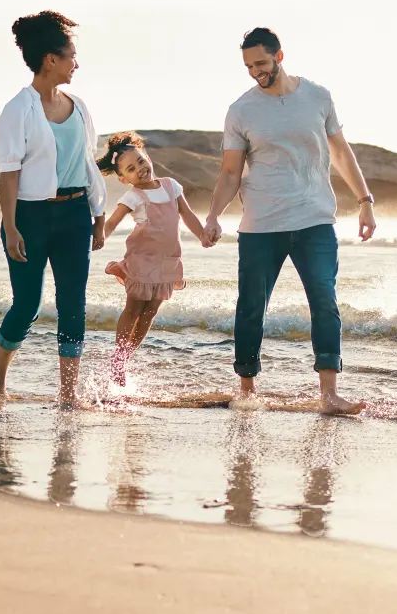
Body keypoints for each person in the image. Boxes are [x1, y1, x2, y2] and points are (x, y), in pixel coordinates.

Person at [202, 26, 375, 416]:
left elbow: (343, 153)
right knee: (251, 307)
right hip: (261, 224)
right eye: (248, 66)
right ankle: (247, 390)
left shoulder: (317, 97)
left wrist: (364, 200)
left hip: (315, 218)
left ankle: (329, 395)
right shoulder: (241, 110)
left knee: (325, 302)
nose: (254, 72)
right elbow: (230, 173)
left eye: (261, 63)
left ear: (280, 56)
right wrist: (214, 214)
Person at [0, 11, 108, 404]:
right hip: (30, 216)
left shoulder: (80, 106)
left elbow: (87, 164)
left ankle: (68, 394)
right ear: (50, 59)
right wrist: (11, 228)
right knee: (27, 305)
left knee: (73, 303)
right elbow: (8, 173)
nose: (77, 63)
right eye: (71, 55)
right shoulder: (18, 109)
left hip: (75, 214)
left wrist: (99, 216)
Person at [97, 132, 211, 386]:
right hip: (142, 261)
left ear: (147, 157)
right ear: (123, 178)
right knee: (134, 308)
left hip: (168, 260)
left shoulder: (171, 185)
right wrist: (99, 237)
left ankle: (125, 358)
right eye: (130, 168)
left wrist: (202, 234)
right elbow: (112, 222)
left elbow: (188, 215)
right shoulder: (133, 197)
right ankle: (118, 358)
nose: (139, 169)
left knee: (150, 312)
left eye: (140, 162)